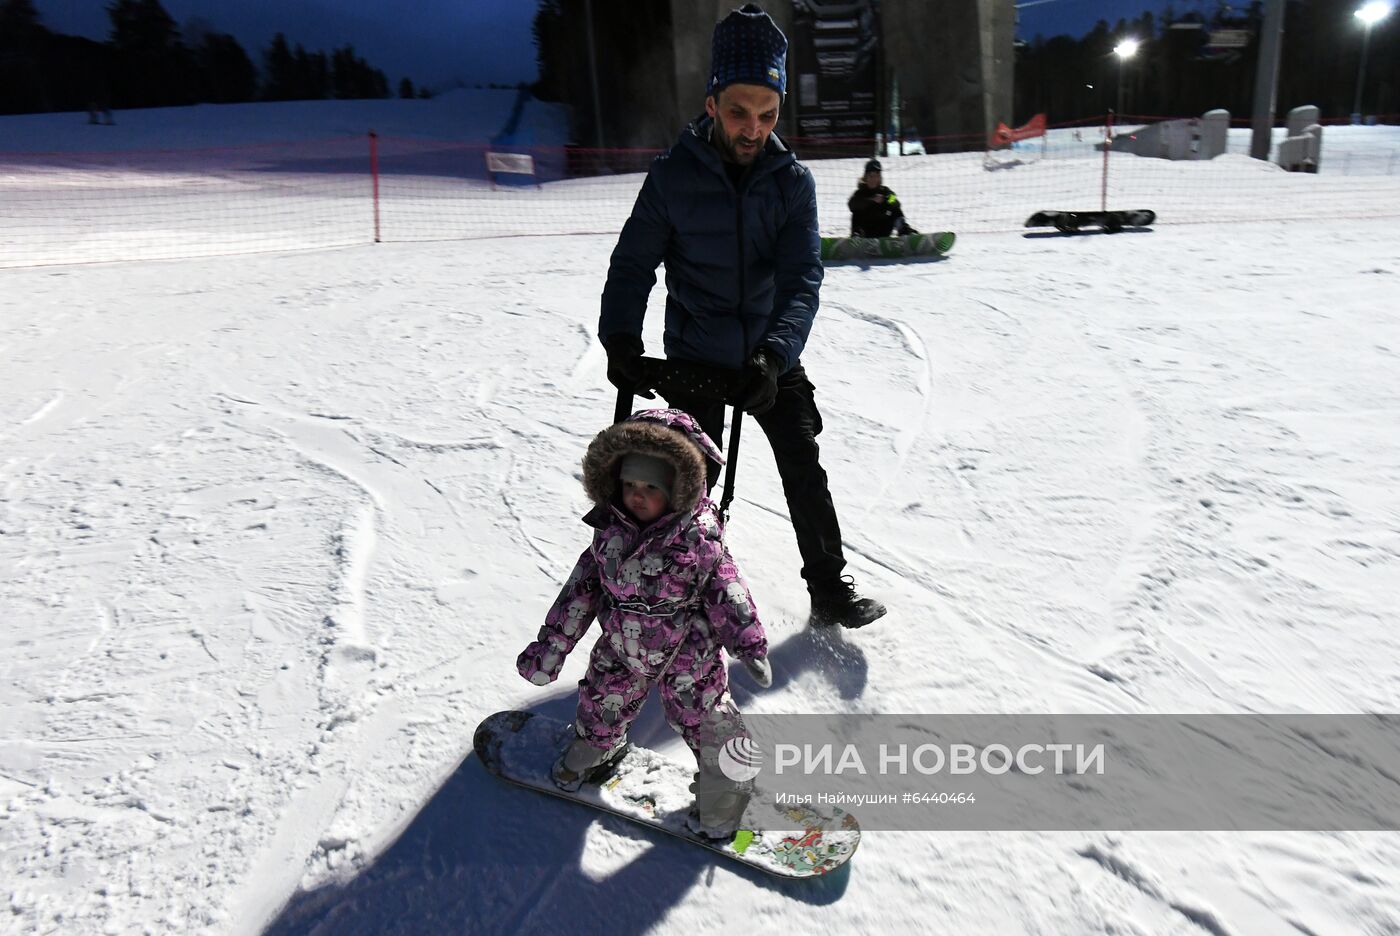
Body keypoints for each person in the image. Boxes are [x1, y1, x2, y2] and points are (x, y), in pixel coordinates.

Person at [598, 3, 886, 630]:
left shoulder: (792, 183)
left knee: (802, 465)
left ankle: (830, 587)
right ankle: (679, 594)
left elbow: (801, 280)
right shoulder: (673, 176)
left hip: (766, 355)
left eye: (767, 114)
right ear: (711, 104)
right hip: (695, 355)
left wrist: (774, 356)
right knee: (683, 486)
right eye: (738, 112)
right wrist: (621, 337)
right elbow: (633, 263)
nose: (753, 128)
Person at [516, 408, 773, 838]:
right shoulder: (608, 535)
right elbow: (579, 592)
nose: (637, 495)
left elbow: (729, 591)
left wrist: (749, 645)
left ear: (677, 490)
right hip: (622, 646)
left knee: (707, 721)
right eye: (630, 484)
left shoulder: (698, 541)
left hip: (687, 654)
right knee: (602, 698)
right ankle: (596, 746)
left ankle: (727, 791)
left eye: (651, 487)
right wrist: (551, 647)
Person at [848, 158, 917, 237]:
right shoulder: (860, 192)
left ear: (880, 178)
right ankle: (857, 236)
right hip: (866, 232)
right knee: (856, 212)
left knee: (895, 209)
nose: (873, 179)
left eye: (876, 176)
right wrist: (871, 200)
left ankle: (904, 231)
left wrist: (886, 200)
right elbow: (851, 204)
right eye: (871, 176)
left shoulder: (885, 191)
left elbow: (896, 201)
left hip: (883, 229)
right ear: (865, 177)